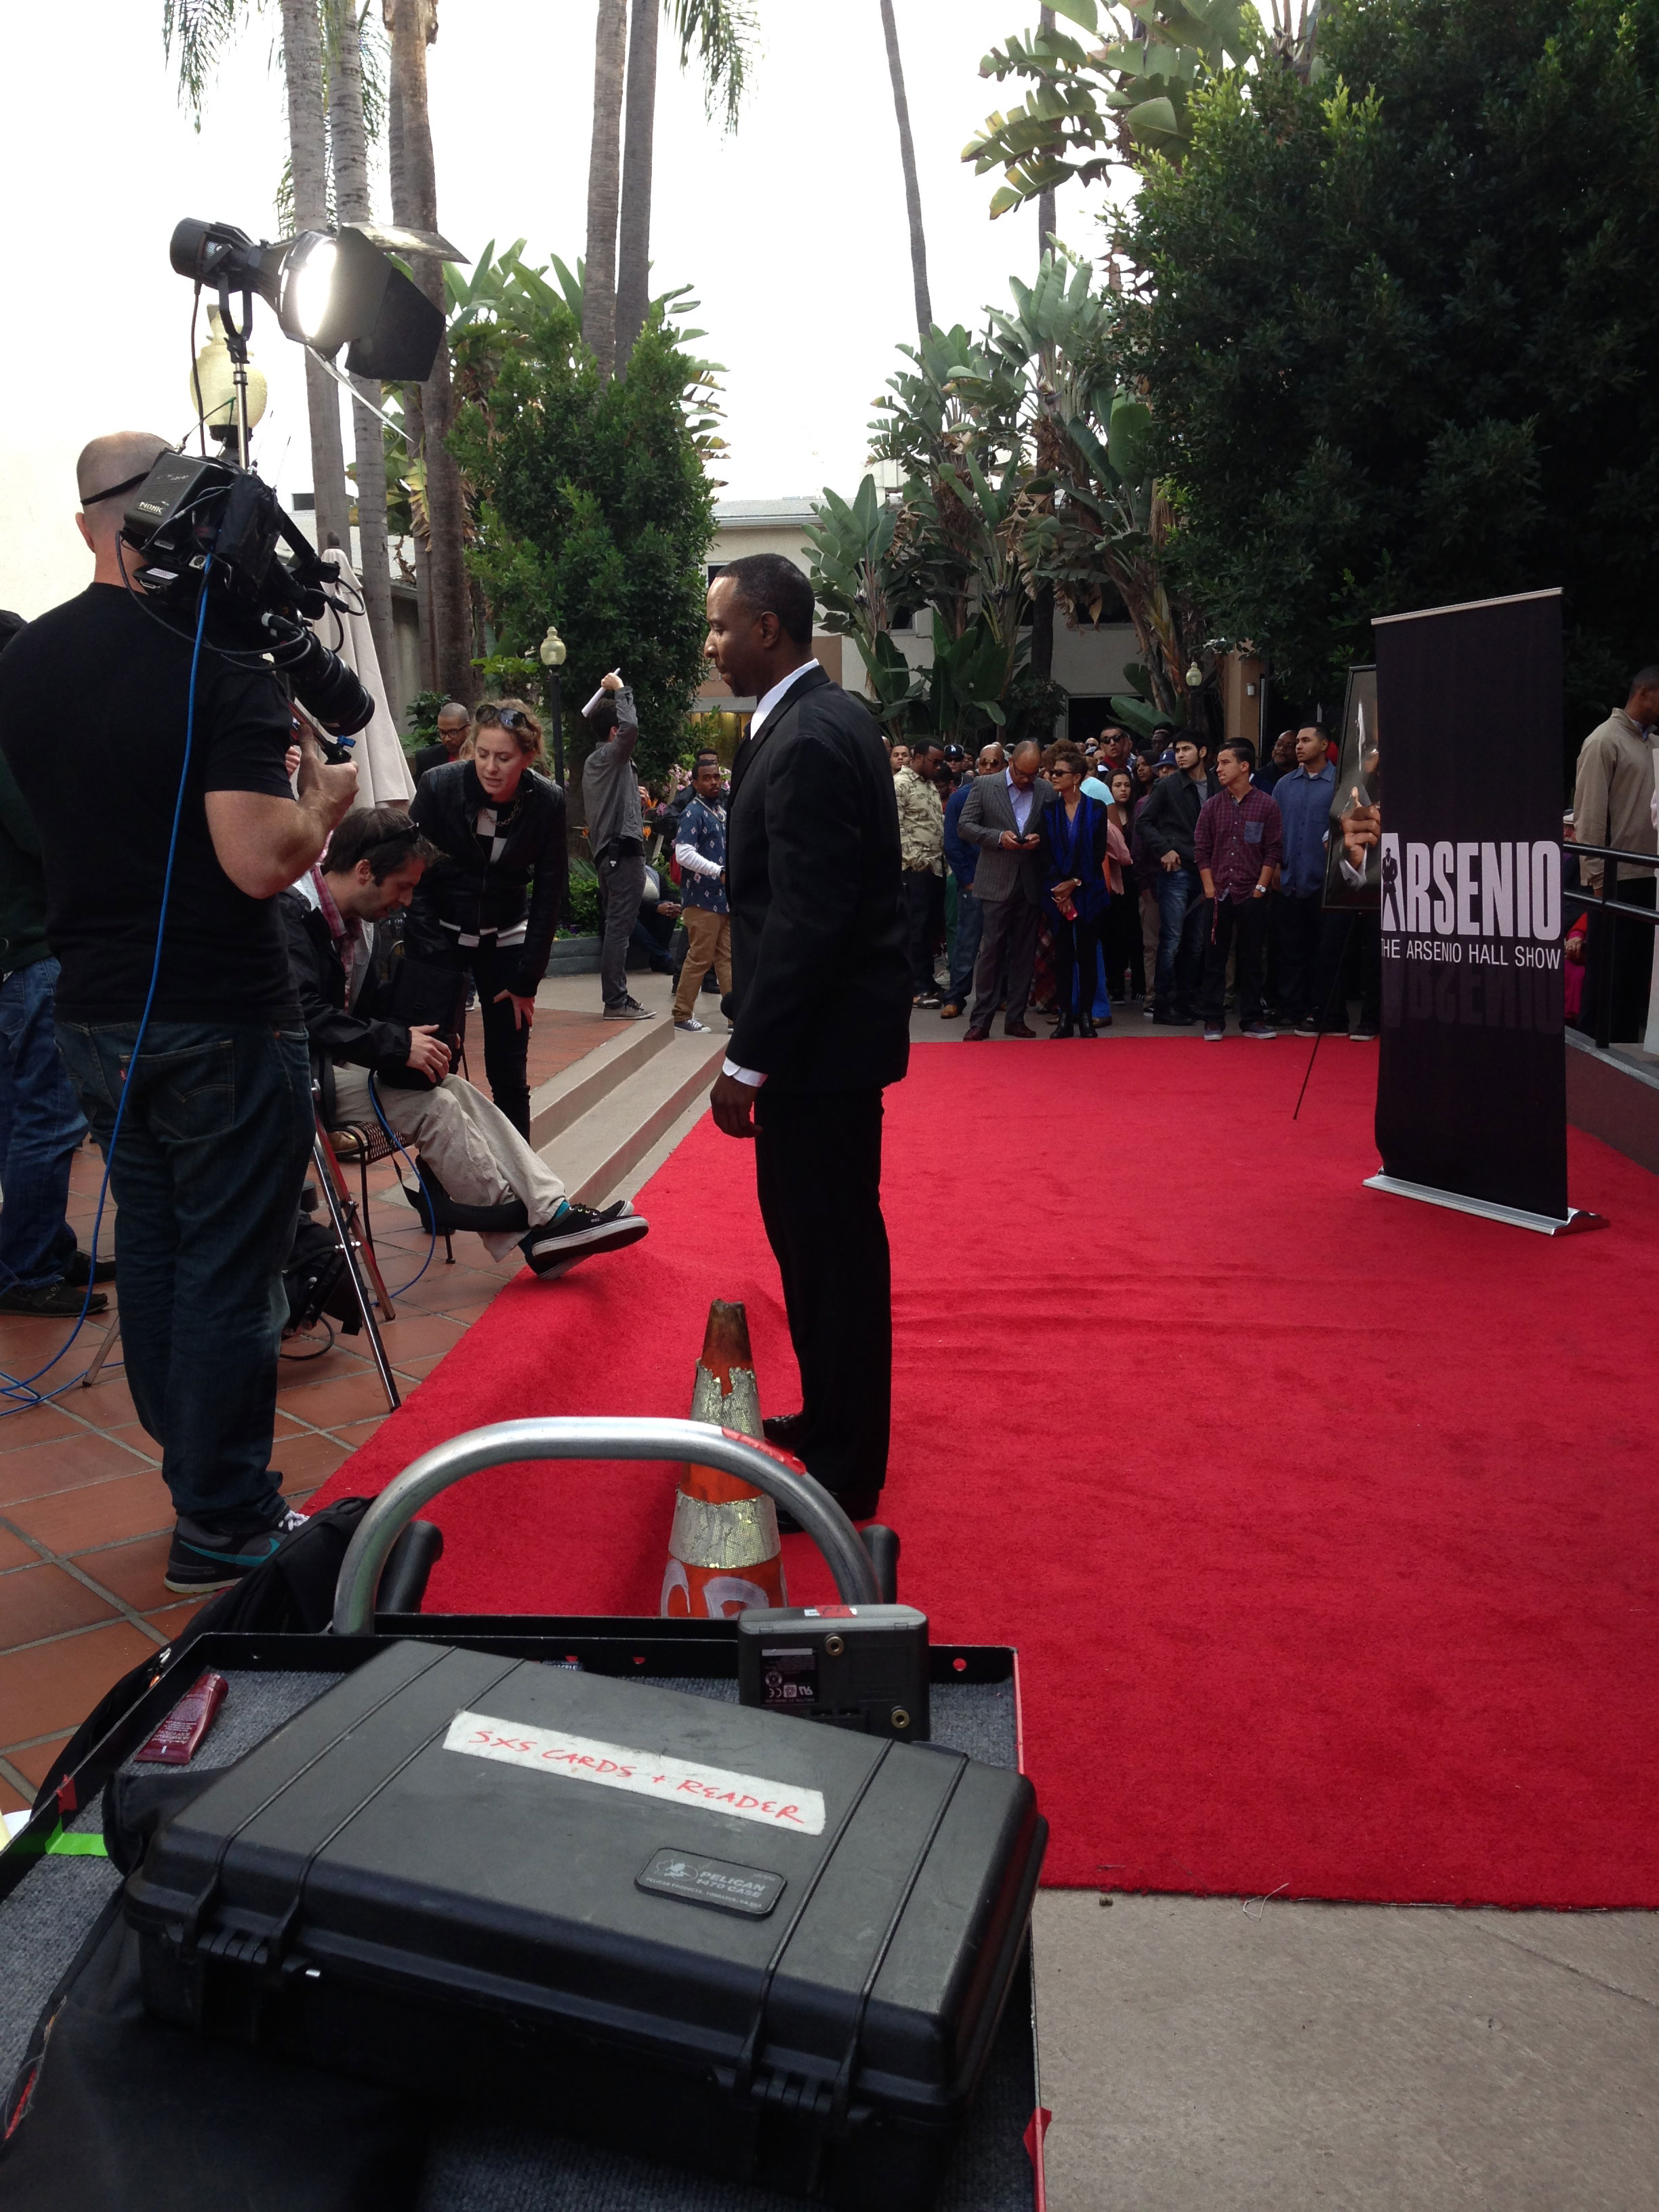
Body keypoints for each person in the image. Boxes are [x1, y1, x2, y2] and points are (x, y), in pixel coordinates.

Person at [0, 430, 360, 1592]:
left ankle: (193, 1474)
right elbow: (258, 860)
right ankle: (225, 1515)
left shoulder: (27, 663)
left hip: (92, 1009)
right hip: (220, 1006)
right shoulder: (222, 649)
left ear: (84, 523)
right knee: (227, 1264)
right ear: (191, 509)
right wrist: (324, 798)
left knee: (155, 1239)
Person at [703, 554, 909, 1522]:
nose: (711, 644)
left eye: (720, 627)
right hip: (822, 1049)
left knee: (832, 1257)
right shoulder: (808, 717)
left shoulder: (814, 735)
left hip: (817, 1056)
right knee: (817, 1251)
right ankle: (829, 1423)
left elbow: (806, 917)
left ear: (769, 630)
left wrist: (748, 1060)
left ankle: (842, 1472)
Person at [283, 806, 645, 1276]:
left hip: (335, 1067)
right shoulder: (293, 913)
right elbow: (303, 1013)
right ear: (365, 871)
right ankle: (530, 1230)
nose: (410, 902)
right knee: (437, 1108)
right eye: (405, 887)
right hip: (297, 1081)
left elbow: (361, 1010)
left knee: (451, 1088)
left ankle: (551, 1214)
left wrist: (425, 1024)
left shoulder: (360, 926)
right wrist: (396, 1044)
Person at [0, 630, 112, 1318]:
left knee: (23, 1117)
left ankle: (40, 1242)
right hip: (38, 949)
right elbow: (45, 835)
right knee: (47, 1120)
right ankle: (27, 1266)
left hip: (20, 953)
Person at [409, 698, 567, 1135]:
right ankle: (440, 1192)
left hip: (507, 940)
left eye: (504, 758)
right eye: (482, 754)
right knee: (434, 1072)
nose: (491, 767)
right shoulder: (438, 786)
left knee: (510, 1076)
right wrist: (433, 960)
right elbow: (412, 874)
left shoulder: (548, 801)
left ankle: (520, 1190)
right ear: (470, 749)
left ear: (528, 758)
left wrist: (527, 979)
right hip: (442, 937)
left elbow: (550, 892)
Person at [1572, 667, 1659, 1042]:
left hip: (1650, 876)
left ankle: (1623, 1058)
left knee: (1635, 978)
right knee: (1608, 977)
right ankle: (1593, 1057)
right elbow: (1588, 816)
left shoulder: (1653, 744)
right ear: (1645, 693)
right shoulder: (1604, 741)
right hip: (1615, 878)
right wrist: (1595, 880)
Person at [956, 739, 1054, 1040]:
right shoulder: (986, 786)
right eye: (1023, 773)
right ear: (1011, 763)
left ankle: (1015, 1018)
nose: (1027, 780)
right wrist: (999, 838)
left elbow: (1053, 832)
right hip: (995, 879)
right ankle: (981, 1021)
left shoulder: (1046, 790)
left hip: (1029, 882)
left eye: (1033, 774)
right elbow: (965, 826)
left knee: (1024, 953)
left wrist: (1041, 840)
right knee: (991, 952)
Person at [1195, 740, 1283, 1040]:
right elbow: (1202, 851)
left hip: (1252, 893)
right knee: (1214, 959)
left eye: (1224, 763)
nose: (1218, 769)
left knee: (1252, 958)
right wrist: (1209, 889)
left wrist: (1261, 886)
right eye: (1217, 763)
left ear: (1244, 767)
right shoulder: (1212, 806)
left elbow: (1273, 850)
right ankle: (1213, 1020)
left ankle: (1252, 1020)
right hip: (1218, 894)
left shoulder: (1267, 804)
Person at [579, 672, 654, 1022]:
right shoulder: (611, 756)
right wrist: (622, 691)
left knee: (617, 927)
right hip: (621, 855)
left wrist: (638, 805)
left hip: (611, 855)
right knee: (619, 929)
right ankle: (616, 1001)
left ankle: (618, 997)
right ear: (613, 733)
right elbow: (632, 729)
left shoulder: (600, 763)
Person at [1134, 732, 1220, 1025]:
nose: (1180, 755)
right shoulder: (1166, 785)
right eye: (1177, 750)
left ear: (1203, 751)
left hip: (1208, 869)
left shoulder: (1218, 783)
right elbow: (1143, 823)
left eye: (1187, 749)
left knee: (1197, 942)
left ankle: (1186, 1001)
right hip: (1178, 868)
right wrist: (1165, 849)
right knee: (1171, 939)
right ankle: (1163, 1005)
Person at [1040, 744, 1113, 1037]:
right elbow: (1045, 854)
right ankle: (1064, 1018)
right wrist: (1061, 889)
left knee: (1087, 954)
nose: (1053, 776)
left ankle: (1086, 1015)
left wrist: (1075, 883)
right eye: (1052, 772)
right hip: (1058, 893)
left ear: (1077, 778)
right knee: (1063, 956)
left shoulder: (1095, 808)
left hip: (1088, 891)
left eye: (1059, 772)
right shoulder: (1049, 810)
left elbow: (1096, 853)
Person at [1273, 724, 1336, 1033]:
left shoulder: (1339, 783)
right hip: (1289, 878)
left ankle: (1322, 1009)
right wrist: (1273, 869)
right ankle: (1290, 1009)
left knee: (1324, 951)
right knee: (1290, 949)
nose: (1298, 746)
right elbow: (1273, 832)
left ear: (1324, 745)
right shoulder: (1285, 785)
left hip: (1326, 882)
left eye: (1306, 740)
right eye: (1296, 740)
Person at [940, 741, 1002, 1017]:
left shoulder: (1011, 799)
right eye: (984, 763)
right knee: (967, 940)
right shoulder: (960, 798)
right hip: (973, 882)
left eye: (995, 763)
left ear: (1004, 767)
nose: (988, 768)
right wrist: (967, 879)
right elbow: (952, 843)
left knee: (1001, 942)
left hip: (1004, 882)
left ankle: (999, 996)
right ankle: (955, 997)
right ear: (976, 766)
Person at [671, 754, 732, 1033]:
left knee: (727, 958)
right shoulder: (693, 812)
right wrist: (716, 870)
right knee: (700, 958)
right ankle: (682, 1016)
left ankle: (736, 1017)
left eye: (717, 776)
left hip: (722, 898)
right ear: (694, 783)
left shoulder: (720, 811)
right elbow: (683, 854)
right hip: (701, 898)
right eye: (706, 778)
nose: (713, 782)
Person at [895, 736, 947, 1007]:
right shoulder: (900, 784)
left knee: (928, 928)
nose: (938, 767)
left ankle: (927, 979)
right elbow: (897, 826)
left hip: (935, 866)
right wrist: (914, 859)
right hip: (914, 867)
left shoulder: (928, 785)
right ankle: (915, 986)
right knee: (915, 928)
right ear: (916, 756)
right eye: (934, 762)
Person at [1102, 766, 1145, 1002]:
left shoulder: (1138, 812)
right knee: (1112, 934)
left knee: (1137, 934)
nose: (1123, 789)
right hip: (1112, 882)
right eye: (1117, 785)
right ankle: (1115, 983)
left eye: (1127, 785)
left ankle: (1139, 983)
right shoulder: (1103, 814)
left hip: (1135, 880)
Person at [409, 699, 471, 789]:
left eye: (453, 732)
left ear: (468, 728)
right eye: (442, 732)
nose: (447, 738)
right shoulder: (427, 759)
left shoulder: (481, 757)